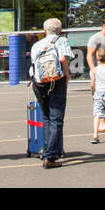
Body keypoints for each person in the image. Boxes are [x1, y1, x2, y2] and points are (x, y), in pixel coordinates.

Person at [30, 17, 73, 169]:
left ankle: (48, 150)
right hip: (56, 81)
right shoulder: (62, 41)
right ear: (60, 30)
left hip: (39, 82)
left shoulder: (36, 45)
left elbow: (33, 64)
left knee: (47, 117)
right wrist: (67, 75)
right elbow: (62, 58)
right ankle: (49, 157)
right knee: (56, 118)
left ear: (44, 30)